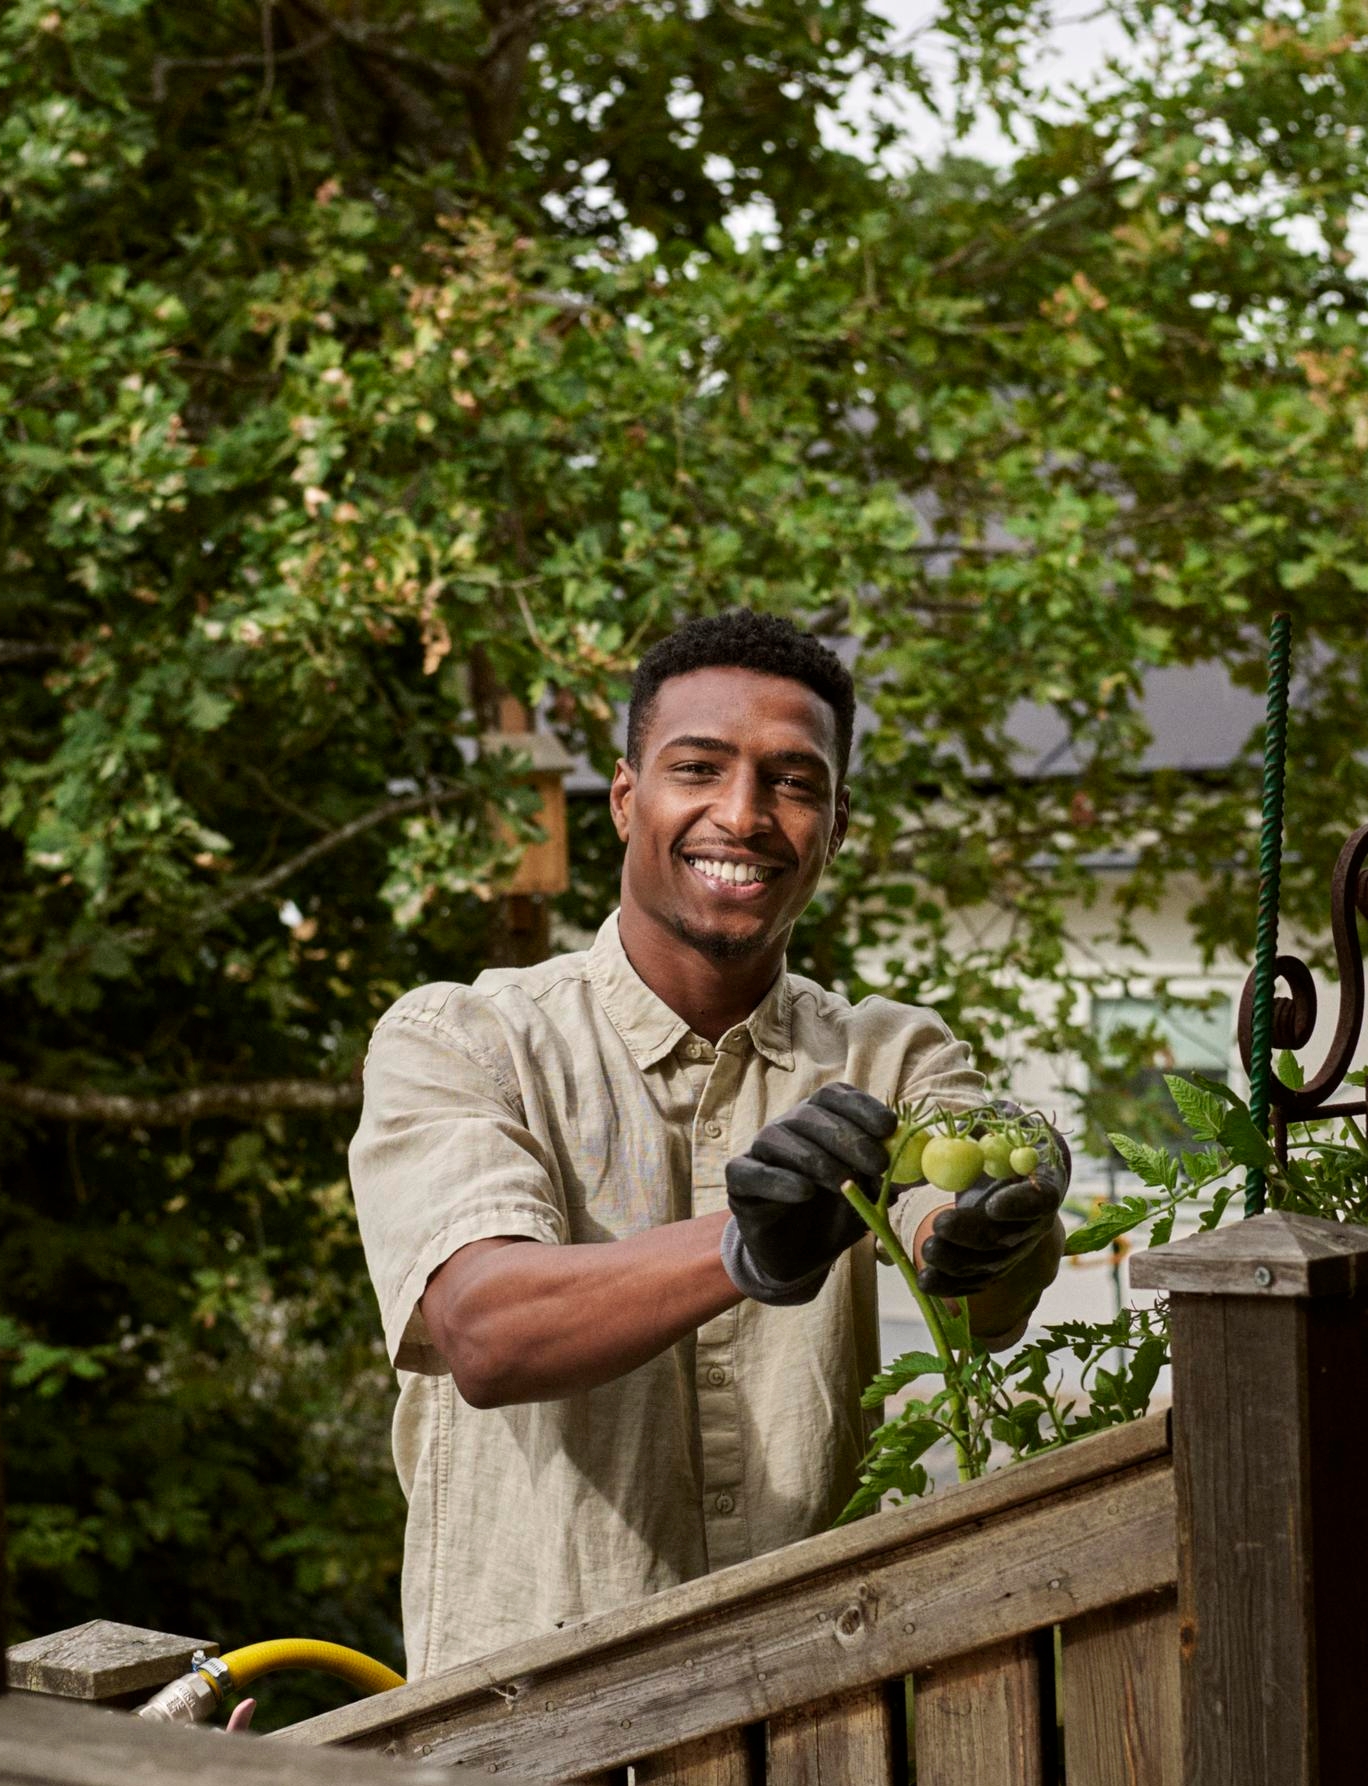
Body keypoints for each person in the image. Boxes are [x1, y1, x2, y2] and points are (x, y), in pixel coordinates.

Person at [349, 610, 1070, 1679]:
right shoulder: (464, 1039)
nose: (743, 814)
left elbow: (964, 1269)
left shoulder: (893, 1054)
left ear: (837, 822)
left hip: (816, 1718)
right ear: (628, 796)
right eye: (700, 769)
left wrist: (992, 1233)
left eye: (792, 781)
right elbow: (484, 1331)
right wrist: (742, 1247)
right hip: (533, 1740)